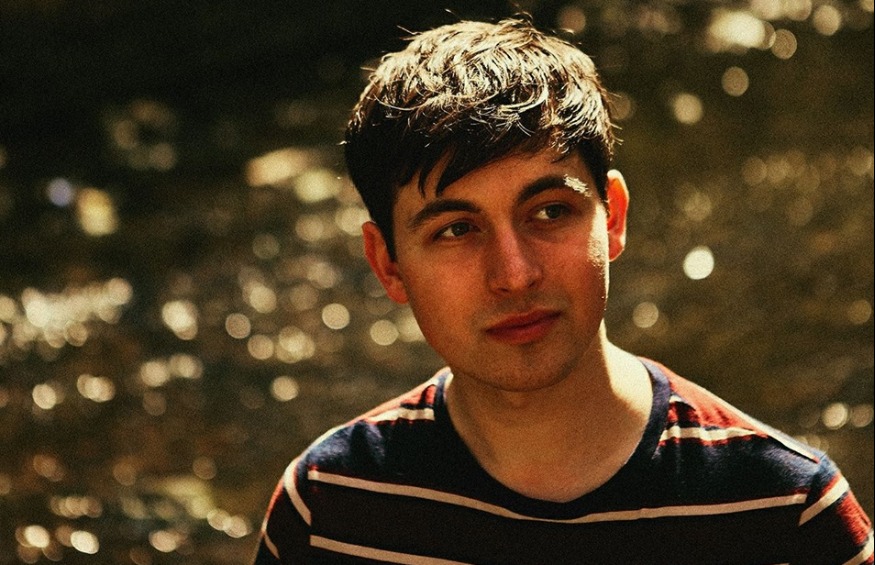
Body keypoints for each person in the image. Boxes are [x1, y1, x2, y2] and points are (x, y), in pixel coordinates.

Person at [253, 17, 873, 565]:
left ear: (613, 217)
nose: (515, 273)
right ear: (387, 263)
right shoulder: (327, 511)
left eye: (549, 212)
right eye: (457, 229)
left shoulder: (786, 513)